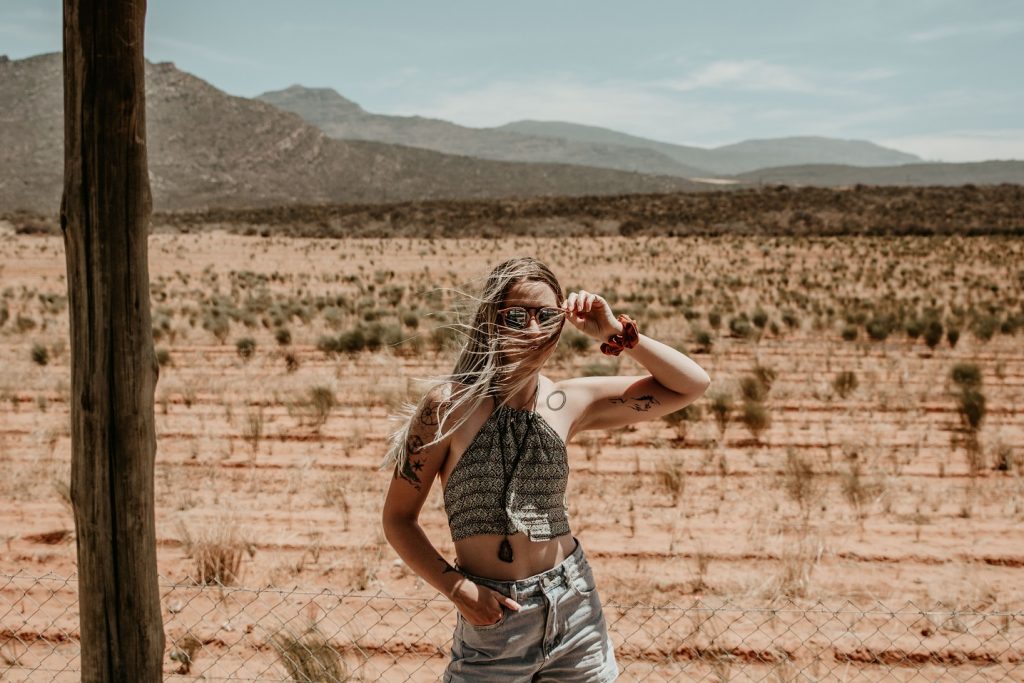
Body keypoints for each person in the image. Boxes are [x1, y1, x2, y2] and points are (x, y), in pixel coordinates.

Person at [380, 256, 711, 682]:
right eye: (516, 316)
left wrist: (617, 333)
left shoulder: (570, 401)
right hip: (494, 617)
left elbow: (692, 384)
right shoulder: (449, 406)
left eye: (546, 316)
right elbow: (398, 519)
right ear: (491, 322)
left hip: (575, 610)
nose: (533, 329)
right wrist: (459, 590)